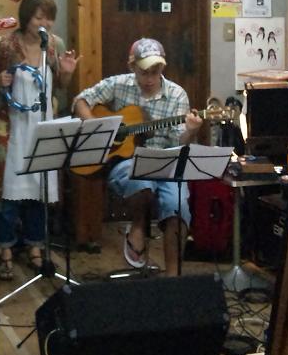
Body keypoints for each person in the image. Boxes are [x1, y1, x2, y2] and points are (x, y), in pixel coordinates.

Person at [73, 38, 203, 276]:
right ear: (132, 67)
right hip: (126, 161)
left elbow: (180, 142)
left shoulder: (177, 94)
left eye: (156, 71)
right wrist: (98, 129)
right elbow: (81, 100)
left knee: (178, 207)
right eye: (144, 72)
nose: (151, 78)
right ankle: (138, 225)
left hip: (166, 162)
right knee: (141, 183)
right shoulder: (118, 84)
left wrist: (191, 131)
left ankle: (173, 278)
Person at [0, 0, 79, 281]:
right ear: (26, 17)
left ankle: (35, 247)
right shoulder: (7, 45)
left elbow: (61, 86)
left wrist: (67, 73)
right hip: (11, 127)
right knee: (9, 191)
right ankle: (5, 251)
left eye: (49, 18)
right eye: (38, 17)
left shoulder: (54, 45)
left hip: (42, 125)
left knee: (39, 189)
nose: (44, 23)